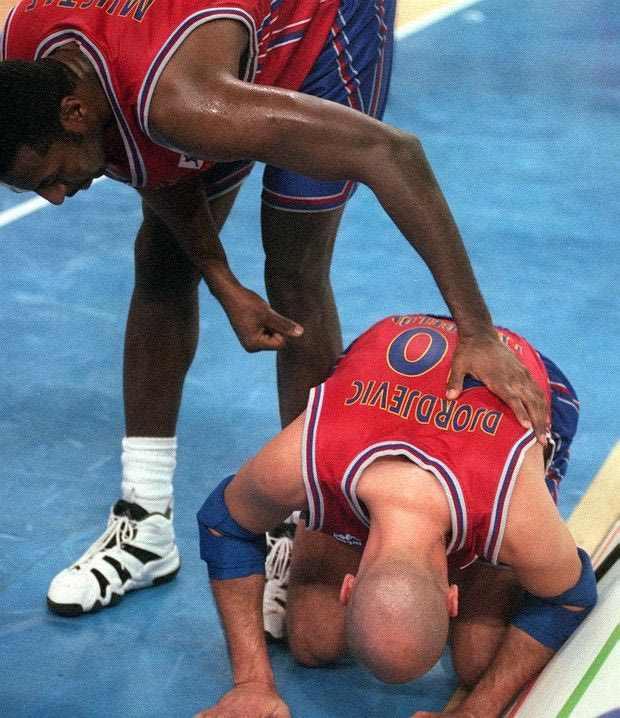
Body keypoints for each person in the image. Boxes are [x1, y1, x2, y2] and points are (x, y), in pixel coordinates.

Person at [0, 0, 548, 624]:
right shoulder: (26, 47)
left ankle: (309, 522)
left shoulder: (179, 102)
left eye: (48, 174)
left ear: (74, 113)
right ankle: (144, 522)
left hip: (319, 28)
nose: (55, 197)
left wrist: (477, 332)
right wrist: (222, 280)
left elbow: (390, 153)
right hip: (203, 65)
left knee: (294, 270)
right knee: (162, 261)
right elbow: (147, 158)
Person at [195, 313, 591, 718]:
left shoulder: (515, 513)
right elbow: (223, 522)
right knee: (314, 640)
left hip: (513, 370)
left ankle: (320, 525)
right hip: (388, 381)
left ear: (349, 586)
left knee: (478, 661)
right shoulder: (301, 463)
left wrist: (478, 709)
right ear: (451, 598)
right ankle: (295, 525)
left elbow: (573, 596)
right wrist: (252, 683)